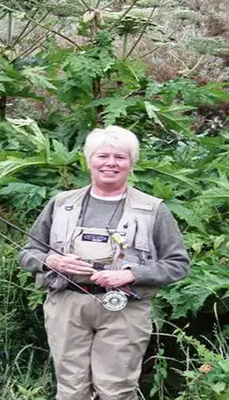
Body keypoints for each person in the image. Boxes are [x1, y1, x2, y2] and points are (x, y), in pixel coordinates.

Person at [19, 126, 190, 400]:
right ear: (89, 161)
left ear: (131, 164)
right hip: (66, 305)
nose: (110, 163)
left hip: (125, 308)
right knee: (71, 389)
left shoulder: (153, 209)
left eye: (120, 157)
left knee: (116, 390)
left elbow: (178, 264)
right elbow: (28, 253)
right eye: (102, 156)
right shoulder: (61, 204)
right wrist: (53, 261)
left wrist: (131, 274)